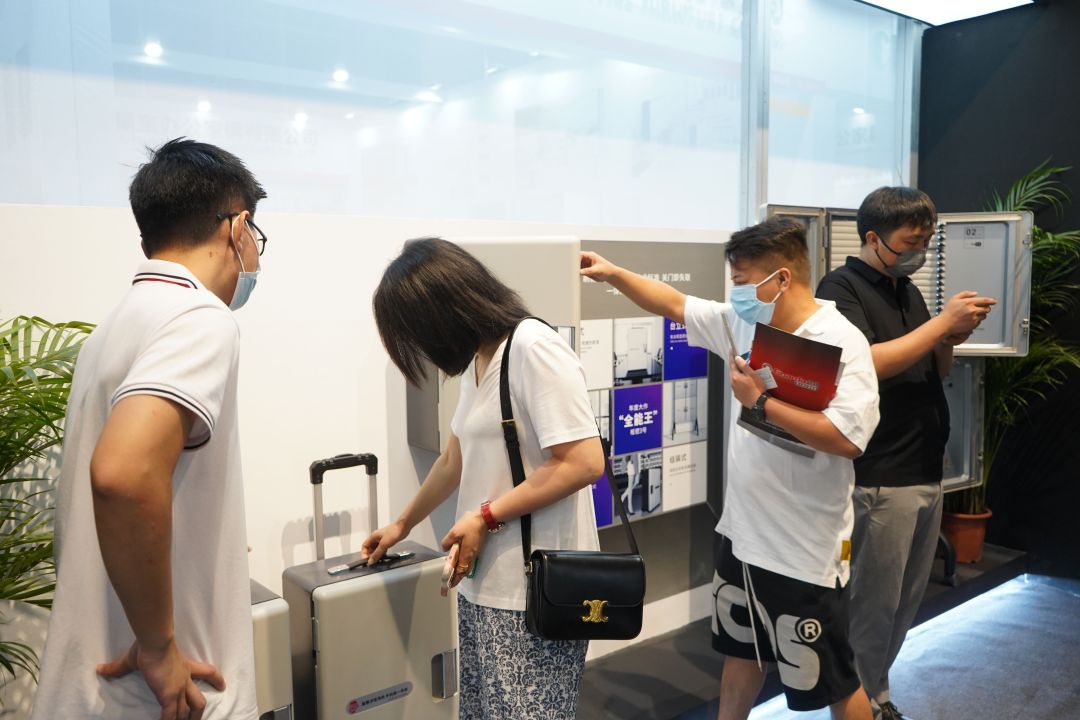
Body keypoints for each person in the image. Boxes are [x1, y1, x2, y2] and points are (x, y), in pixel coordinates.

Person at [581, 216, 880, 720]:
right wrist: (613, 273)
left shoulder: (841, 340)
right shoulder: (743, 323)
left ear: (782, 278)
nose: (735, 293)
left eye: (743, 282)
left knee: (833, 678)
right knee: (741, 653)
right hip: (743, 535)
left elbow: (849, 439)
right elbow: (674, 303)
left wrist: (761, 402)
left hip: (804, 548)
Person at [32, 138, 267, 720]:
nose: (256, 258)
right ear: (237, 228)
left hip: (95, 688)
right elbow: (124, 475)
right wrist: (160, 649)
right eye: (256, 238)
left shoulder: (114, 326)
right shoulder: (200, 318)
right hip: (165, 697)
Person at [362, 237, 605, 720]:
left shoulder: (533, 349)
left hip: (536, 591)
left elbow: (584, 462)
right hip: (485, 584)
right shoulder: (481, 360)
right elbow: (454, 460)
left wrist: (485, 517)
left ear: (443, 314)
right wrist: (403, 524)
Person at [816, 187, 995, 720]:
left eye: (925, 242)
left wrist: (949, 338)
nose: (919, 252)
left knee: (902, 603)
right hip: (880, 471)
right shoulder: (839, 288)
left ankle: (876, 695)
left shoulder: (907, 289)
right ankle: (862, 705)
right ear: (873, 238)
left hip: (923, 465)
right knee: (872, 605)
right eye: (910, 242)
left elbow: (934, 369)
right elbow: (863, 364)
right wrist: (940, 324)